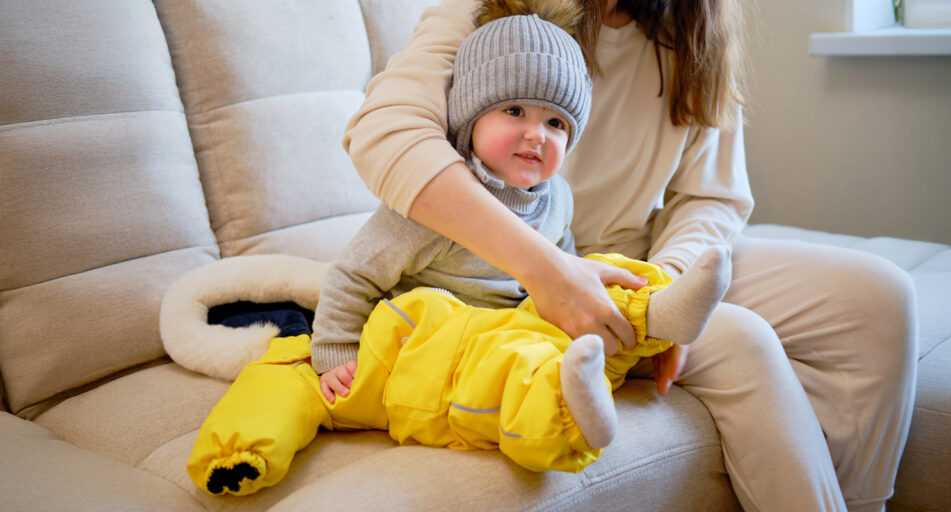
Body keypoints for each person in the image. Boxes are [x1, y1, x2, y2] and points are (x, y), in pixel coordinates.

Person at [342, 0, 919, 511]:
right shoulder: (492, 8)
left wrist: (664, 286)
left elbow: (710, 197)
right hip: (512, 279)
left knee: (879, 299)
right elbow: (386, 131)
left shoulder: (692, 32)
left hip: (646, 265)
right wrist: (547, 268)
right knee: (744, 342)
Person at [185, 2, 729, 496]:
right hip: (423, 336)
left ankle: (656, 310)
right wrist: (334, 352)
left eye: (556, 123)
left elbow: (568, 259)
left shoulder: (556, 198)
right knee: (499, 360)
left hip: (504, 320)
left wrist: (581, 285)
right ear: (470, 118)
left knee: (601, 274)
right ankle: (562, 402)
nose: (537, 134)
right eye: (514, 112)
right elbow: (353, 275)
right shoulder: (437, 204)